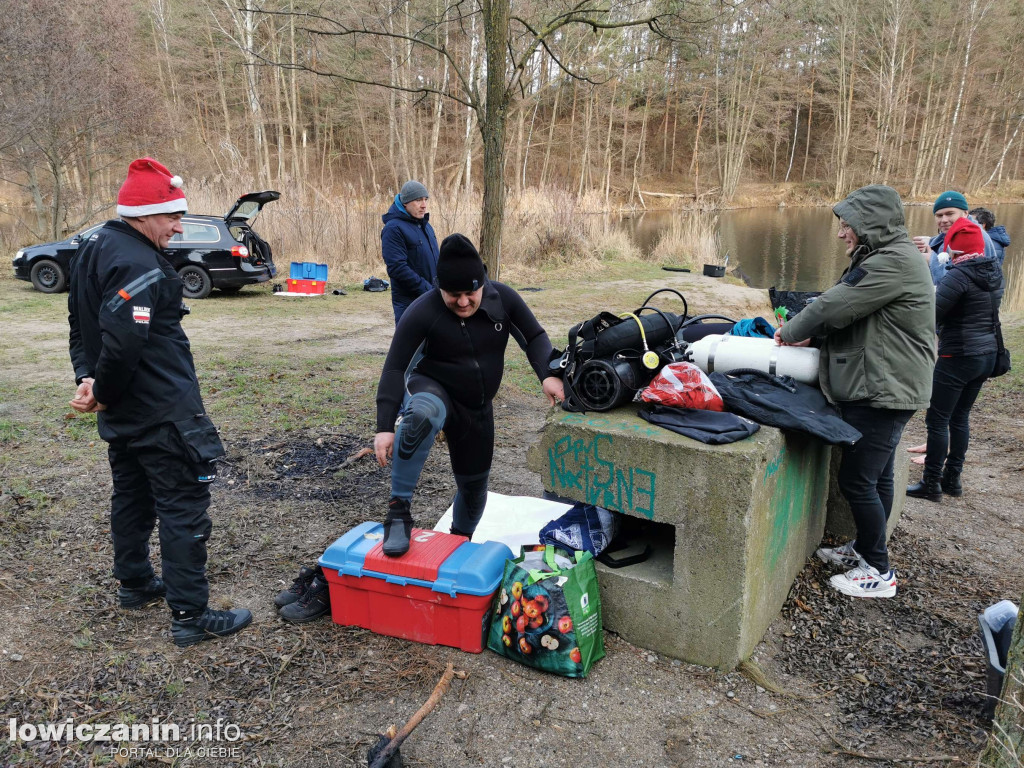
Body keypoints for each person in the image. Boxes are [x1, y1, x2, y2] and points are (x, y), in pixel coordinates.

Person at [68, 157, 252, 647]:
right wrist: (101, 388)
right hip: (161, 411)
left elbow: (80, 323)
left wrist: (88, 379)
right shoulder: (138, 262)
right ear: (145, 215)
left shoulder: (93, 246)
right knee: (183, 504)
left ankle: (134, 584)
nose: (178, 226)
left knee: (132, 495)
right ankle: (191, 616)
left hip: (124, 413)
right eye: (172, 216)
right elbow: (124, 341)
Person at [775, 185, 935, 599]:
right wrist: (815, 338)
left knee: (858, 479)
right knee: (876, 475)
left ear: (869, 225)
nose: (842, 233)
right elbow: (853, 313)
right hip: (885, 383)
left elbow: (835, 304)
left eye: (848, 226)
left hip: (884, 389)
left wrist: (791, 332)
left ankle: (879, 573)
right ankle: (867, 549)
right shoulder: (886, 256)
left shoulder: (892, 261)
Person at [373, 233, 565, 557]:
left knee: (475, 490)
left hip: (477, 407)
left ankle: (458, 541)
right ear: (439, 287)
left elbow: (534, 337)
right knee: (421, 414)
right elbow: (394, 369)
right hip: (433, 389)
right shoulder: (423, 311)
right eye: (453, 294)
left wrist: (547, 374)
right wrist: (384, 426)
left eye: (470, 293)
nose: (463, 302)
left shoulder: (502, 300)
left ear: (483, 282)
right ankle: (398, 513)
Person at [906, 218, 1003, 502]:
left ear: (956, 251)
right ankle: (952, 479)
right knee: (960, 417)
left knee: (938, 419)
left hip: (958, 355)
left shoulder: (959, 276)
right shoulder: (992, 271)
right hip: (985, 355)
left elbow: (932, 315)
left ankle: (931, 483)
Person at [381, 180, 440, 323]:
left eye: (425, 199)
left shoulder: (426, 226)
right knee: (412, 345)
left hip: (433, 298)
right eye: (418, 200)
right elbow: (397, 268)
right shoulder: (393, 229)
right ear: (405, 203)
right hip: (410, 304)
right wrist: (427, 289)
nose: (424, 205)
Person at [912, 191, 998, 285]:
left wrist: (931, 260)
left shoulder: (972, 237)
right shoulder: (959, 230)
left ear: (965, 213)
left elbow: (963, 281)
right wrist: (930, 243)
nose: (944, 220)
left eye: (950, 214)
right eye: (939, 215)